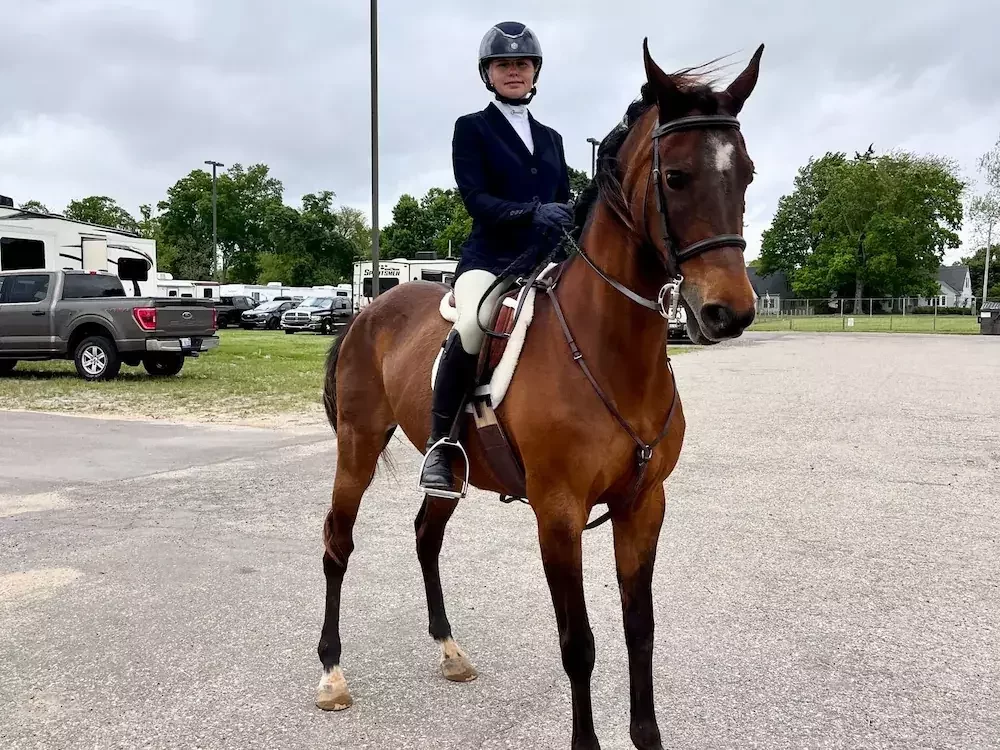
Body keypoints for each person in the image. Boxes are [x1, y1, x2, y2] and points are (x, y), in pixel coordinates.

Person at [419, 21, 574, 495]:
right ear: (488, 73)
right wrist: (531, 212)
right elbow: (476, 199)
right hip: (490, 261)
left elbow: (565, 201)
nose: (513, 71)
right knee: (473, 324)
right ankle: (441, 446)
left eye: (521, 64)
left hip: (545, 263)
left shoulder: (551, 138)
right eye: (503, 64)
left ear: (534, 73)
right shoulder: (472, 129)